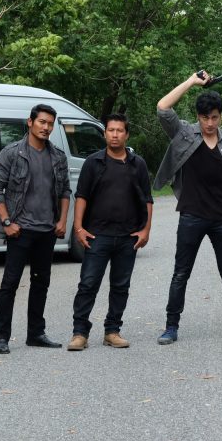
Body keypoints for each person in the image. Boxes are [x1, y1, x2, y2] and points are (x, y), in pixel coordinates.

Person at [153, 70, 222, 345]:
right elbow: (162, 108)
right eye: (205, 117)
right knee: (181, 273)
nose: (210, 123)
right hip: (192, 216)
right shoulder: (184, 133)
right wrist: (191, 81)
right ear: (198, 117)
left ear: (221, 116)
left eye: (215, 117)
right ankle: (171, 327)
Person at [0, 104, 71, 354]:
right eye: (42, 122)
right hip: (20, 230)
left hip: (47, 231)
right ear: (30, 122)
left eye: (50, 124)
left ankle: (35, 333)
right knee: (10, 284)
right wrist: (7, 223)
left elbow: (65, 191)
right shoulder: (12, 153)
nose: (46, 127)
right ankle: (1, 337)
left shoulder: (57, 156)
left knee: (41, 283)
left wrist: (62, 221)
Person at [67, 114, 153, 351]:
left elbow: (147, 199)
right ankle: (79, 333)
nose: (115, 135)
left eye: (119, 130)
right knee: (88, 284)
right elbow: (81, 196)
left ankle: (112, 331)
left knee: (120, 286)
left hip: (128, 236)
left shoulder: (137, 164)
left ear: (127, 135)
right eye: (111, 130)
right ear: (105, 133)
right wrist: (78, 228)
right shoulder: (93, 163)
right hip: (97, 235)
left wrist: (145, 230)